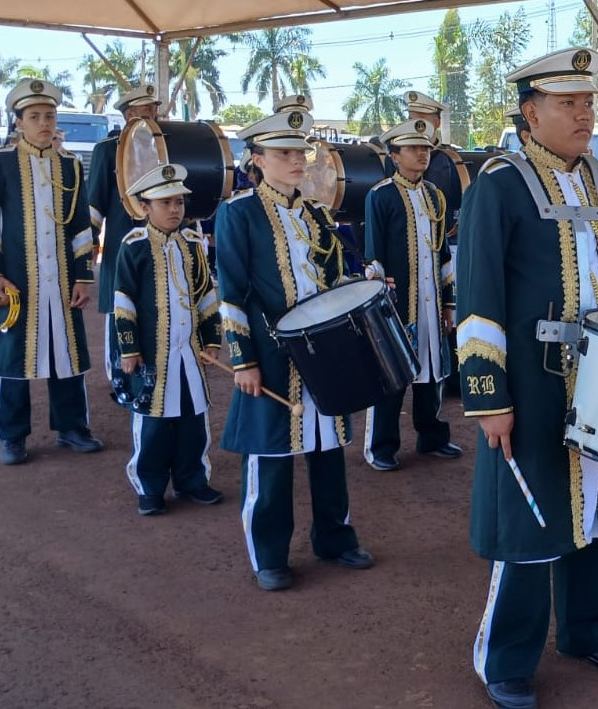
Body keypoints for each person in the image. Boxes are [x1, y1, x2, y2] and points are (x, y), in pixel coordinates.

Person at [457, 47, 598, 709]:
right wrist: (488, 395)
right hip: (532, 382)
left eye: (588, 102)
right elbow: (478, 292)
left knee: (596, 507)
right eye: (568, 103)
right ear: (530, 113)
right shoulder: (498, 183)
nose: (585, 113)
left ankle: (585, 629)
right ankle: (506, 659)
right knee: (528, 518)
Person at [215, 109, 374, 591]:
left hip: (323, 350)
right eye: (284, 153)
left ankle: (335, 538)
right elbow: (231, 292)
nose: (297, 160)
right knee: (270, 453)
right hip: (269, 352)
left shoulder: (318, 214)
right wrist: (243, 359)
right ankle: (269, 556)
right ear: (257, 160)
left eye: (300, 151)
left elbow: (335, 275)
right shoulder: (238, 213)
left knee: (328, 447)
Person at [0, 78, 103, 465]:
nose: (44, 123)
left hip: (62, 279)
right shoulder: (2, 162)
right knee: (12, 356)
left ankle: (72, 428)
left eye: (49, 116)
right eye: (35, 116)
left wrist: (83, 276)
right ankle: (12, 436)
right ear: (19, 123)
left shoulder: (70, 166)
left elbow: (81, 227)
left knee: (67, 354)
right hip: (17, 278)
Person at [115, 163, 225, 515]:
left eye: (179, 202)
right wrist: (129, 349)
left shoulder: (193, 245)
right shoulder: (133, 246)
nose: (175, 209)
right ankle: (149, 488)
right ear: (144, 207)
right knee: (153, 423)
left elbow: (206, 296)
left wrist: (212, 340)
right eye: (165, 203)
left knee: (193, 418)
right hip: (152, 354)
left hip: (189, 352)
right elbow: (124, 301)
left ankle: (192, 480)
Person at [362, 119, 462, 471]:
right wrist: (380, 300)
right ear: (394, 155)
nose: (423, 154)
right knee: (392, 374)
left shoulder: (435, 196)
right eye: (414, 148)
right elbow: (373, 255)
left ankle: (432, 435)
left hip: (431, 301)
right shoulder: (381, 195)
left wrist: (449, 304)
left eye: (426, 148)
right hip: (397, 303)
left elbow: (444, 255)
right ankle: (381, 446)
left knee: (433, 370)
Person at [87, 85, 163, 383]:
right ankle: (119, 376)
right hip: (121, 243)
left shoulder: (163, 146)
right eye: (147, 110)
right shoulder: (107, 149)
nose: (154, 114)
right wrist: (90, 243)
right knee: (120, 304)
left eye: (154, 109)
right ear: (130, 114)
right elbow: (95, 203)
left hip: (158, 243)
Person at [404, 90, 466, 239]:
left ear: (437, 123)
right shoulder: (397, 158)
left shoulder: (448, 160)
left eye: (421, 120)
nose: (415, 125)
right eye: (411, 119)